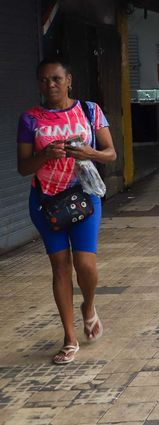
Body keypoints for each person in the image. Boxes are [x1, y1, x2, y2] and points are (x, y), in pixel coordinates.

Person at [17, 59, 116, 365]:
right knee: (60, 268)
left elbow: (111, 154)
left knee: (84, 265)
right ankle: (69, 338)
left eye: (57, 79)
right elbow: (23, 168)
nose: (51, 85)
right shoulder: (30, 119)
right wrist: (44, 154)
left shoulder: (89, 111)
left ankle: (88, 305)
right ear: (39, 84)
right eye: (45, 80)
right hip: (46, 202)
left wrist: (90, 153)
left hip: (84, 197)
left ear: (69, 80)